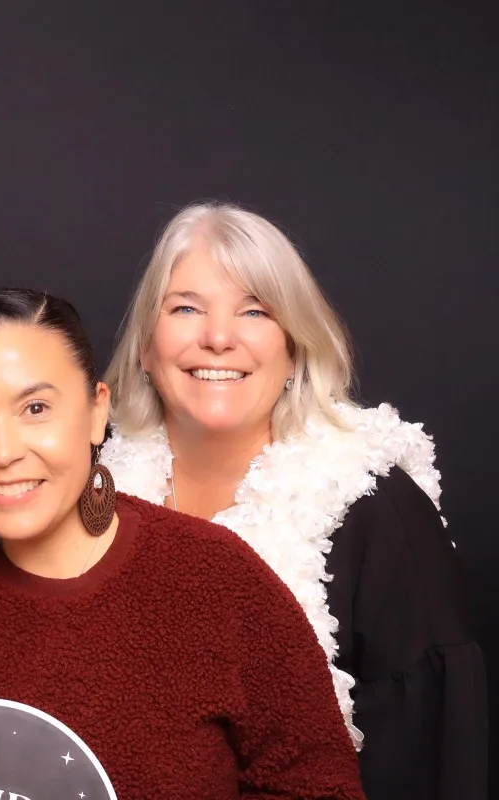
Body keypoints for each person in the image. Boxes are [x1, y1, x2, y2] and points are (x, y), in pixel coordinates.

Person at [0, 288, 366, 799]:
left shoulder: (216, 577)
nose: (2, 452)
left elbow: (320, 787)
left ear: (97, 412)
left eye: (36, 408)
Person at [99, 203, 486, 799]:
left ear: (296, 348)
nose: (218, 338)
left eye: (255, 310)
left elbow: (428, 756)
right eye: (186, 308)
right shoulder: (92, 495)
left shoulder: (378, 509)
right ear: (146, 347)